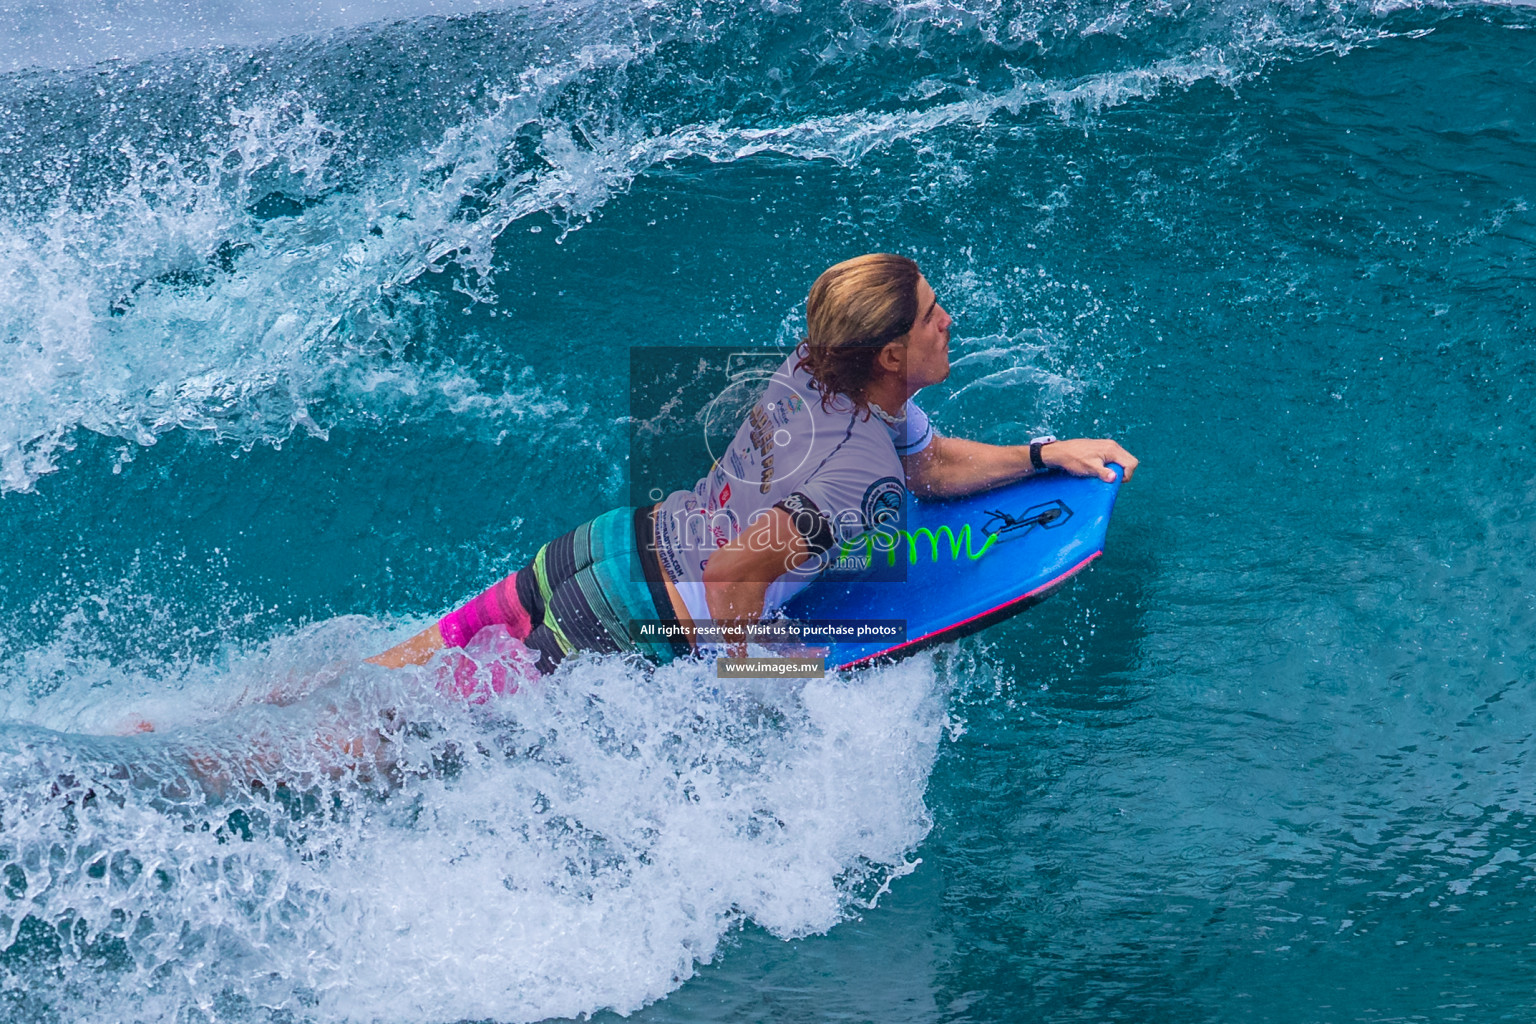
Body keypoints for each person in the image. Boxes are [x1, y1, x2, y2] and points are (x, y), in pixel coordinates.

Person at [367, 253, 1138, 680]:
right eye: (934, 312)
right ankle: (250, 766)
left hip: (606, 546)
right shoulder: (859, 476)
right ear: (892, 354)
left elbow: (927, 463)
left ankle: (274, 705)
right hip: (623, 620)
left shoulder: (822, 365)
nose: (949, 320)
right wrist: (763, 681)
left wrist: (1041, 455)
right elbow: (736, 577)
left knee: (410, 666)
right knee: (403, 742)